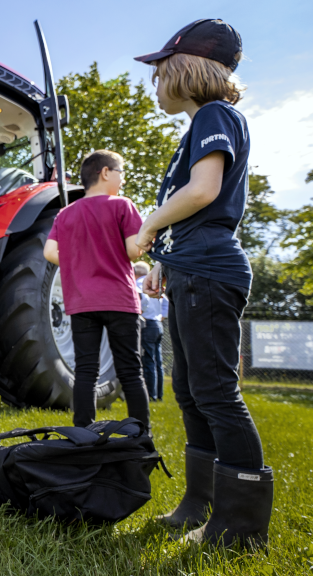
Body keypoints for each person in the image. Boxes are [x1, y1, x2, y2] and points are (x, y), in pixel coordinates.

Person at [134, 19, 273, 549]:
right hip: (192, 269)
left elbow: (204, 191)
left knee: (216, 393)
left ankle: (240, 530)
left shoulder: (215, 115)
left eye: (160, 70)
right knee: (191, 391)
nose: (155, 82)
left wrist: (149, 226)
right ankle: (200, 503)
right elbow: (198, 210)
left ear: (185, 69)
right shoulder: (198, 128)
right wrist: (163, 262)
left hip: (212, 273)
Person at [43, 149, 150, 431]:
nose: (122, 179)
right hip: (120, 300)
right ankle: (141, 435)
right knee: (130, 370)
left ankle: (82, 434)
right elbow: (132, 251)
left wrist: (79, 259)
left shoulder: (65, 214)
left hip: (82, 302)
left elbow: (49, 251)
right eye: (120, 172)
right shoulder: (122, 206)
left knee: (86, 371)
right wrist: (145, 242)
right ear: (105, 173)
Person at [134, 261, 164, 401]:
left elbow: (143, 298)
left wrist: (141, 311)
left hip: (148, 323)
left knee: (148, 361)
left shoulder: (139, 284)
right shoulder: (155, 284)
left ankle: (151, 394)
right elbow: (166, 302)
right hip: (158, 323)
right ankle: (159, 394)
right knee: (158, 361)